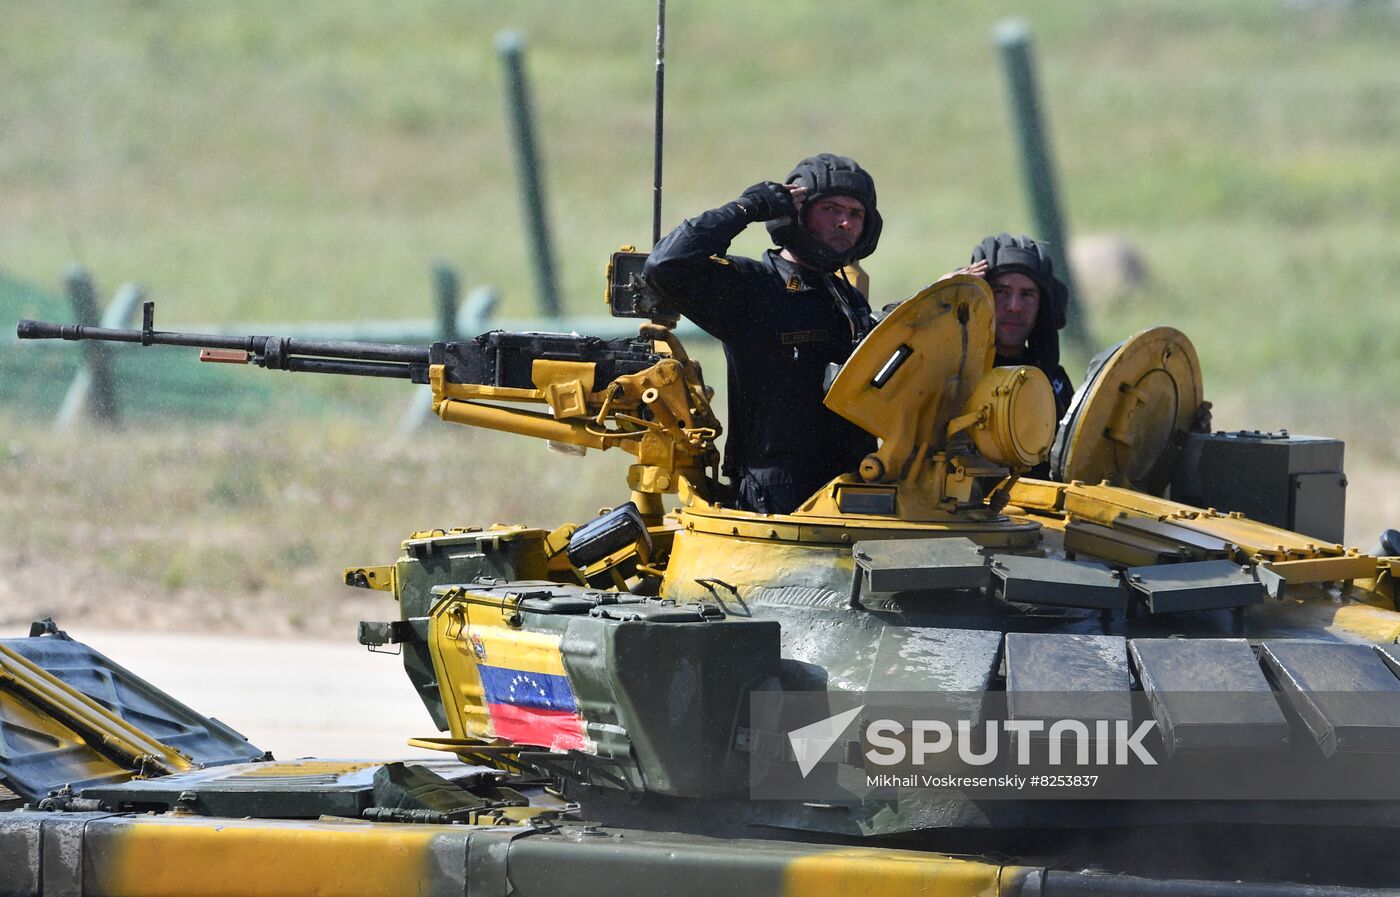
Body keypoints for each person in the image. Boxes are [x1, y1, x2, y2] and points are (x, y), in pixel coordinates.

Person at [643, 154, 881, 514]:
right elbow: (667, 265)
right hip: (777, 496)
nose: (845, 222)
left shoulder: (846, 298)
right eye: (831, 209)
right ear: (797, 213)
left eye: (856, 213)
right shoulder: (752, 287)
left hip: (854, 487)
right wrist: (747, 208)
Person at [969, 233, 1075, 421]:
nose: (1014, 307)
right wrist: (935, 297)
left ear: (1042, 308)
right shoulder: (949, 377)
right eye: (1001, 292)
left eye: (1027, 295)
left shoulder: (1054, 383)